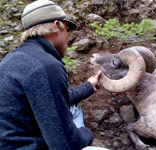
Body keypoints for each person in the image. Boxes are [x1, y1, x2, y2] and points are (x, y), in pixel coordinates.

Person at [0, 0, 104, 149]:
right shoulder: (47, 65)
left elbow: (49, 98)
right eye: (67, 30)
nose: (68, 39)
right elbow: (64, 145)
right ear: (56, 26)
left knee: (74, 108)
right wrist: (87, 134)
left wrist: (88, 87)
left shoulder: (11, 59)